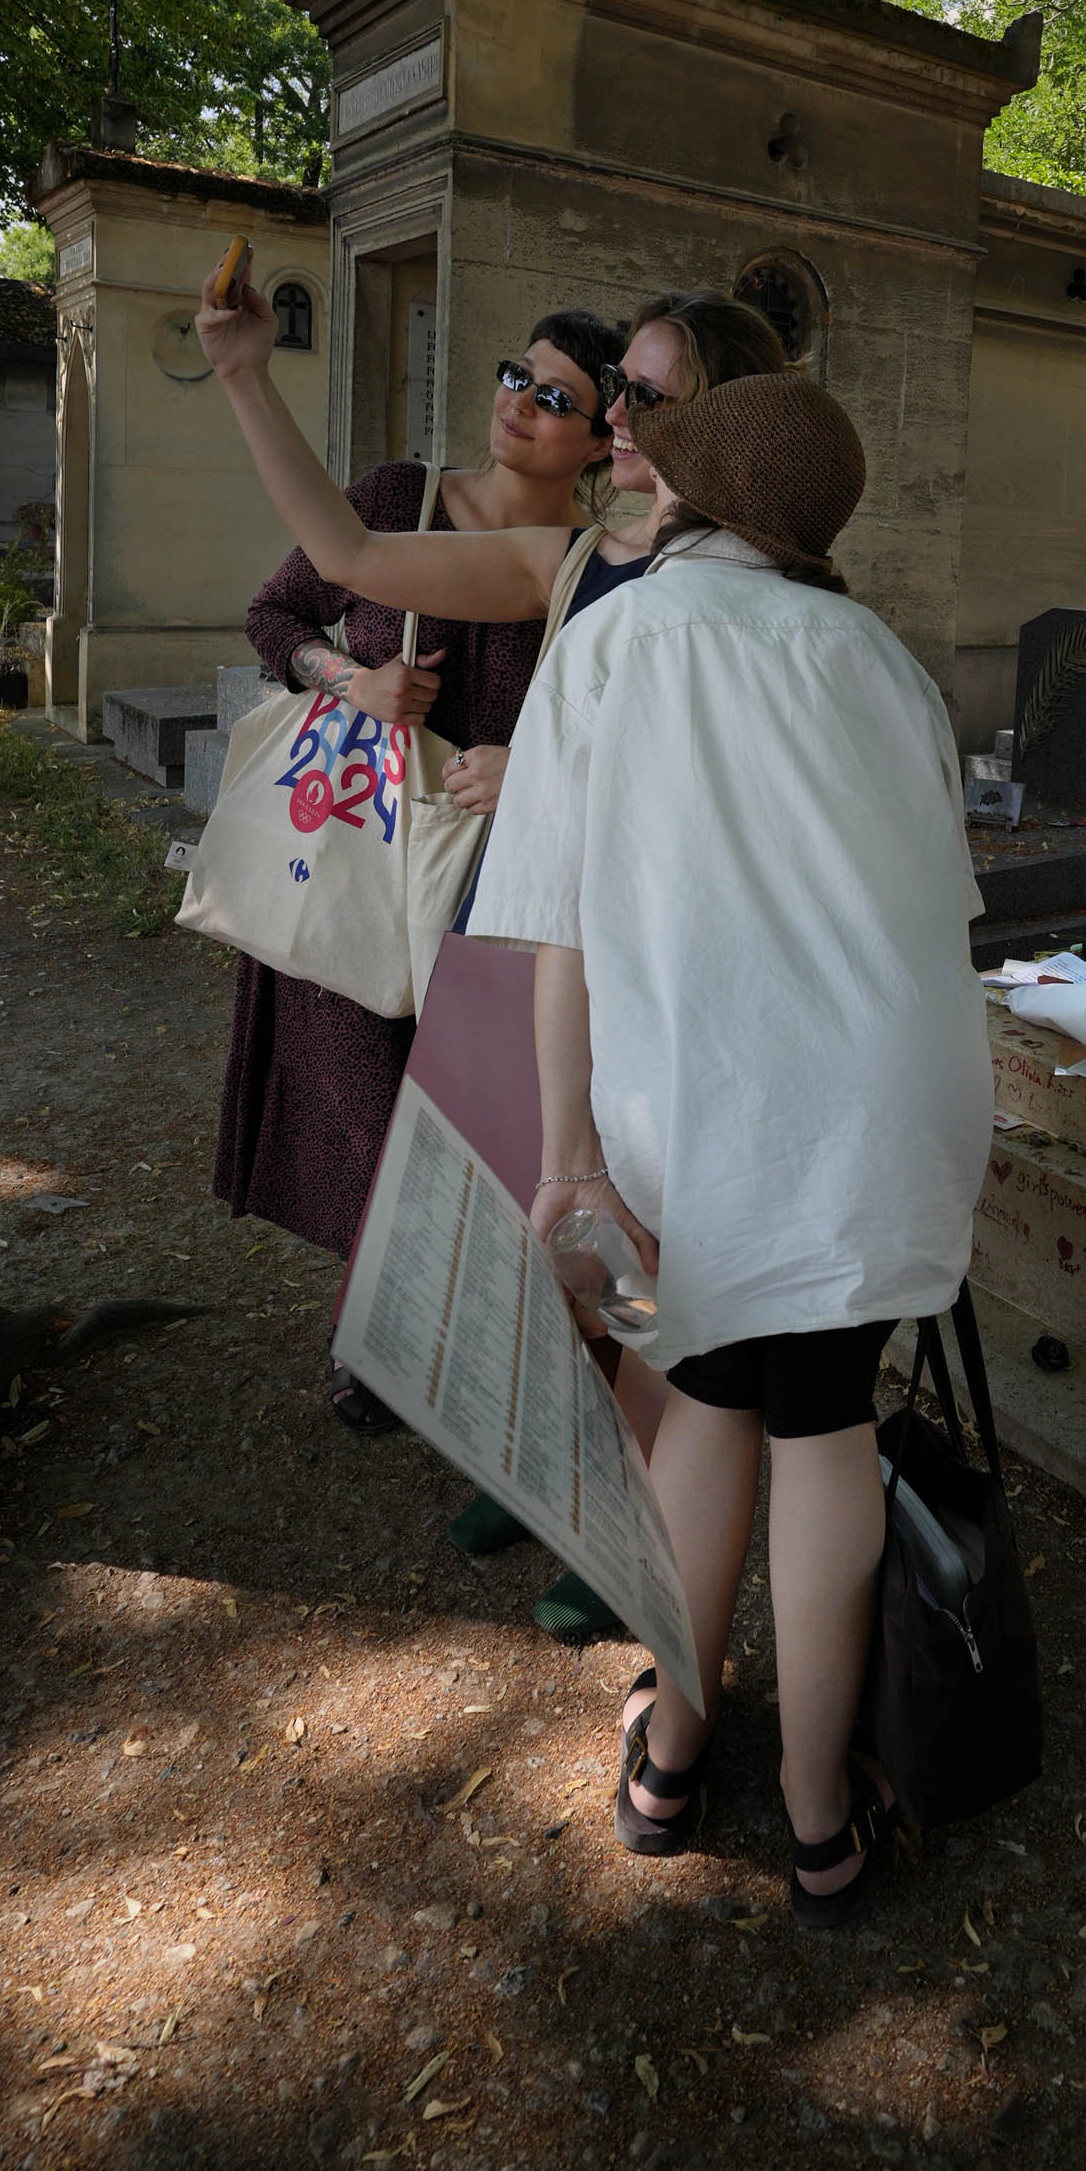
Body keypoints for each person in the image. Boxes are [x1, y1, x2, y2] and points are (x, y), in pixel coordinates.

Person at [467, 370, 992, 1926]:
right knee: (822, 1418)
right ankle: (823, 1818)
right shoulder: (884, 659)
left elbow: (555, 928)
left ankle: (675, 1756)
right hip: (883, 1099)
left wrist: (568, 1159)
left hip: (700, 1104)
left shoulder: (620, 638)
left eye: (659, 458)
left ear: (700, 501)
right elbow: (941, 910)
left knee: (701, 1410)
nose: (632, 463)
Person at [196, 266, 791, 1631]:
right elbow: (343, 561)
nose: (614, 412)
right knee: (533, 1208)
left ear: (721, 421)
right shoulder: (577, 560)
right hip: (522, 940)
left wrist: (549, 776)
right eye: (615, 389)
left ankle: (629, 1524)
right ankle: (541, 1470)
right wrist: (243, 376)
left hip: (650, 947)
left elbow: (727, 794)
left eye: (645, 392)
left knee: (643, 1230)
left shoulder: (763, 589)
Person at [211, 304, 627, 1433]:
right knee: (359, 1115)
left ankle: (469, 1346)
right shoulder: (399, 497)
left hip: (488, 888)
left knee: (468, 1123)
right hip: (352, 857)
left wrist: (528, 763)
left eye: (554, 398)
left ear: (602, 440)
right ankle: (380, 1337)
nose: (517, 406)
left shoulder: (588, 570)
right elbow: (277, 611)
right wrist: (343, 679)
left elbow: (609, 733)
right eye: (514, 376)